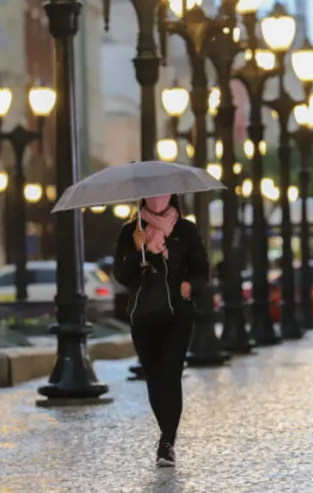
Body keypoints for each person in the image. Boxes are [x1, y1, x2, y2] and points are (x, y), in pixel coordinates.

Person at [113, 194, 208, 468]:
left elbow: (202, 268)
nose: (157, 199)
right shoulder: (131, 230)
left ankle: (167, 442)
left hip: (178, 314)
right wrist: (135, 249)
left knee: (170, 372)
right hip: (144, 315)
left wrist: (191, 285)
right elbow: (121, 274)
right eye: (152, 195)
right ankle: (166, 436)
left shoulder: (186, 230)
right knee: (154, 377)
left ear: (172, 196)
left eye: (163, 193)